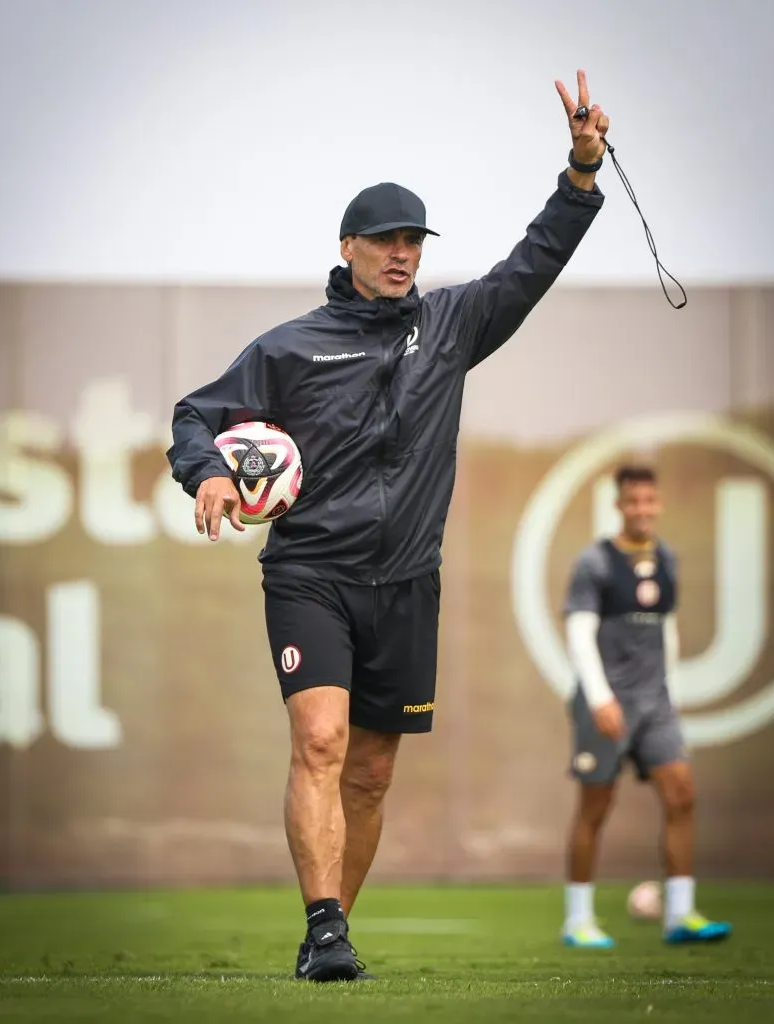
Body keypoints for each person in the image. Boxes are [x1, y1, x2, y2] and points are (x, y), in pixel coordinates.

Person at [168, 70, 607, 982]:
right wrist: (206, 475)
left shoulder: (448, 327)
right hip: (310, 578)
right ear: (349, 246)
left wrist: (578, 178)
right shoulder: (289, 347)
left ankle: (326, 933)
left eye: (412, 240)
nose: (402, 254)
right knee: (320, 744)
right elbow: (194, 416)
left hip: (407, 582)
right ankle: (326, 926)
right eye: (385, 240)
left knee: (370, 775)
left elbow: (531, 265)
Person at [561, 464, 733, 948]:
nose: (642, 509)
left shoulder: (668, 559)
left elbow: (666, 630)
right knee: (595, 808)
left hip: (656, 703)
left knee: (682, 795)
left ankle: (680, 915)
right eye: (632, 500)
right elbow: (578, 633)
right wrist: (599, 698)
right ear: (619, 505)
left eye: (649, 500)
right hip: (607, 704)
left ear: (658, 504)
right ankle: (577, 920)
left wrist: (670, 697)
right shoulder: (594, 562)